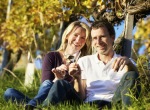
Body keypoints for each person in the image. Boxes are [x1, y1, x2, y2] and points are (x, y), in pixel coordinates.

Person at [42, 20, 140, 109]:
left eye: (102, 37)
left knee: (132, 74)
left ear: (112, 37)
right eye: (94, 38)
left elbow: (136, 80)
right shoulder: (84, 61)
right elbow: (81, 96)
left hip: (114, 104)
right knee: (60, 83)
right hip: (89, 104)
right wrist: (77, 78)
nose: (98, 42)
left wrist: (129, 64)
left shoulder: (126, 62)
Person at [3, 21, 91, 110]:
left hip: (70, 98)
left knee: (61, 83)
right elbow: (44, 87)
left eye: (83, 38)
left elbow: (81, 94)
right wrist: (57, 78)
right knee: (9, 92)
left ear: (86, 42)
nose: (78, 40)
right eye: (75, 35)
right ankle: (35, 107)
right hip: (48, 98)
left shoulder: (85, 60)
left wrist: (70, 79)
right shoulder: (51, 56)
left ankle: (33, 105)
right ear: (67, 35)